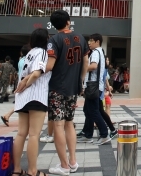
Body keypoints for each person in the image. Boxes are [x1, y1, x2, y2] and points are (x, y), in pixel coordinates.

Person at [46, 10, 87, 175]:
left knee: (58, 124)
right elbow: (85, 62)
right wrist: (80, 81)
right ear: (68, 21)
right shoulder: (81, 38)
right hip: (73, 88)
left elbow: (49, 65)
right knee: (69, 123)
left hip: (57, 87)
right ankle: (73, 161)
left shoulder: (54, 40)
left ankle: (63, 165)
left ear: (54, 25)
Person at [12, 28, 51, 176]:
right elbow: (36, 73)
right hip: (36, 95)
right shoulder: (42, 52)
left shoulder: (29, 53)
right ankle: (33, 171)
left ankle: (16, 169)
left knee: (21, 133)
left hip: (22, 98)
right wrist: (26, 84)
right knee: (34, 135)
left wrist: (22, 85)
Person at [79, 34, 111, 145]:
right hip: (97, 86)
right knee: (88, 110)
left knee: (93, 111)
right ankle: (87, 134)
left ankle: (104, 134)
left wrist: (81, 68)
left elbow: (93, 66)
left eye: (91, 41)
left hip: (93, 86)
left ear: (97, 41)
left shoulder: (96, 53)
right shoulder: (100, 52)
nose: (89, 43)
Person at [2, 46, 31, 126]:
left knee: (22, 102)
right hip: (26, 83)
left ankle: (7, 115)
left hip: (20, 82)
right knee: (23, 102)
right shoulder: (27, 60)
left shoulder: (21, 60)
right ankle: (7, 115)